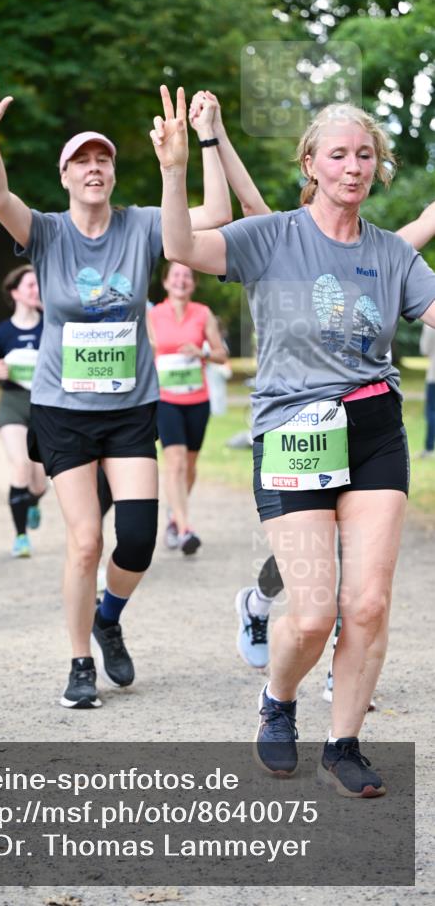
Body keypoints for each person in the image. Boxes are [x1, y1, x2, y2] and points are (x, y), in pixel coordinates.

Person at [152, 86, 435, 796]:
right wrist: (176, 166)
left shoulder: (392, 254)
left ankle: (344, 743)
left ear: (378, 166)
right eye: (337, 154)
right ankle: (278, 702)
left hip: (372, 431)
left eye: (364, 154)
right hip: (291, 434)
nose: (352, 166)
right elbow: (180, 244)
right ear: (310, 163)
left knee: (366, 604)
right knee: (310, 614)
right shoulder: (270, 236)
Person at [0, 66, 231, 708]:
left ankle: (109, 616)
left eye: (102, 159)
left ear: (113, 173)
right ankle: (80, 659)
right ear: (64, 176)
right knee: (86, 539)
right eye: (80, 160)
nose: (93, 167)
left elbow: (214, 214)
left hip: (131, 409)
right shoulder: (48, 233)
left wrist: (198, 151)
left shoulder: (140, 227)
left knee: (137, 538)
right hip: (61, 411)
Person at [147, 262, 228, 555]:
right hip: (165, 400)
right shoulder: (152, 315)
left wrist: (202, 351)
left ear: (192, 284)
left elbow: (221, 355)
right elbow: (144, 353)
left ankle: (174, 515)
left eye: (187, 276)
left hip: (197, 400)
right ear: (166, 282)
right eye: (176, 275)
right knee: (176, 462)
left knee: (190, 466)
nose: (181, 280)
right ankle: (184, 529)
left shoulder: (203, 313)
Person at [0, 266, 47, 558]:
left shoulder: (51, 325)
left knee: (40, 483)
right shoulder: (1, 332)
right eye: (30, 285)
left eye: (38, 285)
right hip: (12, 404)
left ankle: (32, 501)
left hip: (45, 407)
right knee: (20, 465)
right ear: (15, 292)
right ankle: (21, 537)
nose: (36, 290)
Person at [419, 321, 435, 459]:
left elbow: (425, 349)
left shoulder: (430, 321)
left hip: (434, 376)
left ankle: (429, 448)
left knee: (431, 411)